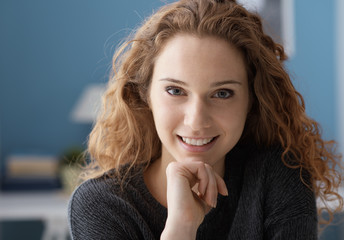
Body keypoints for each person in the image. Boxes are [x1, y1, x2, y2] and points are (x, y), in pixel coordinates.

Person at [68, 0, 343, 239]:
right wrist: (181, 228)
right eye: (175, 91)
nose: (197, 120)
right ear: (145, 96)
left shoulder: (278, 177)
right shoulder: (102, 205)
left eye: (222, 93)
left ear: (252, 101)